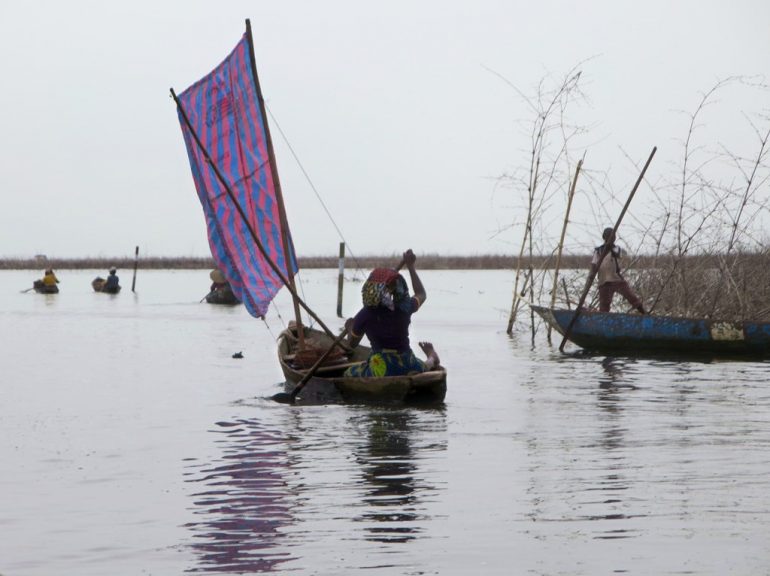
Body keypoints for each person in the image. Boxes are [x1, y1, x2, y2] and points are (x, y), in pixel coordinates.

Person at [344, 249, 440, 377]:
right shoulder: (404, 307)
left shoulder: (366, 313)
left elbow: (351, 345)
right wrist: (411, 266)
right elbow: (421, 294)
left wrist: (350, 327)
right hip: (407, 363)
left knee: (348, 374)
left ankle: (431, 359)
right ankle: (432, 359)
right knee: (422, 366)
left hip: (381, 369)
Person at [590, 227, 646, 314]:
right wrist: (592, 275)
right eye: (610, 236)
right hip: (603, 281)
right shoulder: (598, 251)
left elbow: (618, 255)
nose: (612, 238)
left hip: (616, 279)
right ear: (604, 237)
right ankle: (604, 319)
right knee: (604, 305)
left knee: (631, 296)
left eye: (613, 236)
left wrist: (609, 248)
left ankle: (644, 313)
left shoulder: (616, 249)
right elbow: (594, 264)